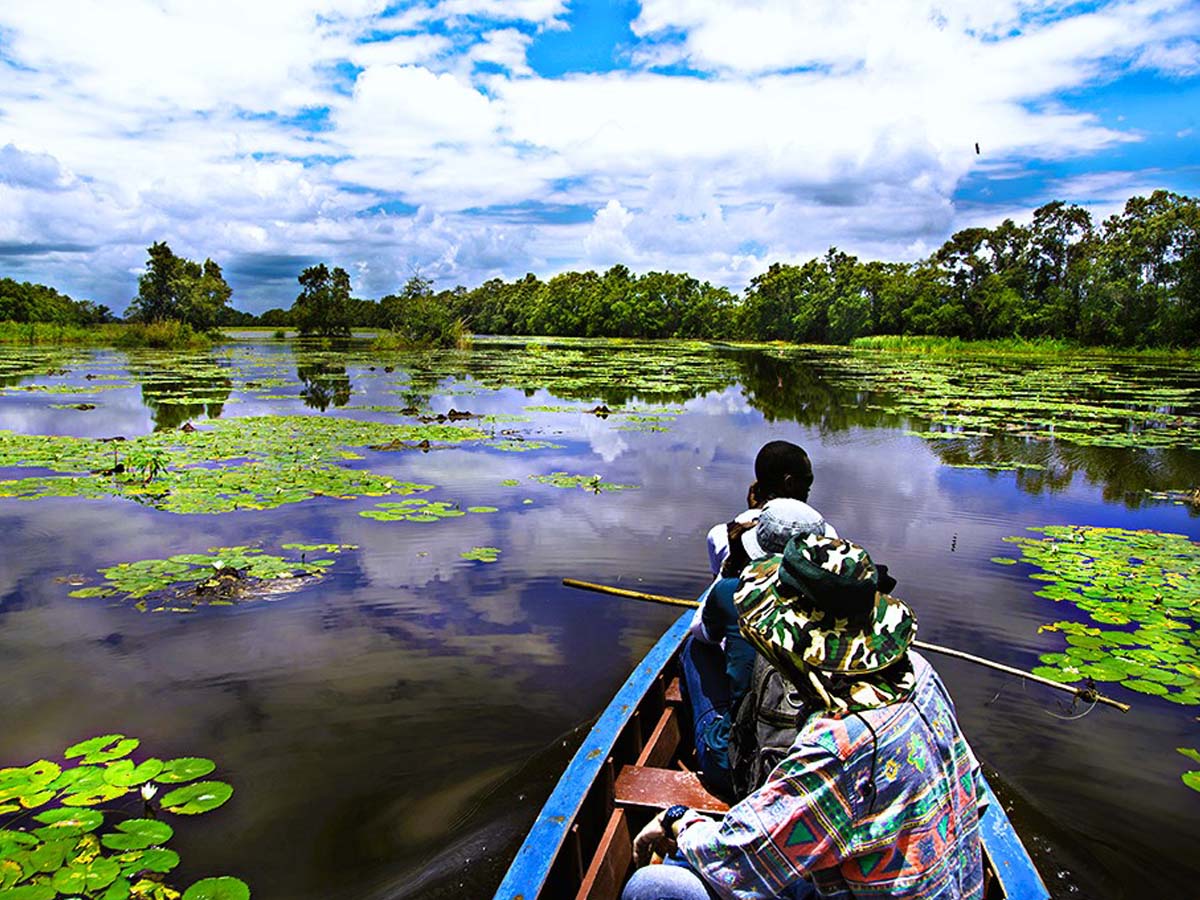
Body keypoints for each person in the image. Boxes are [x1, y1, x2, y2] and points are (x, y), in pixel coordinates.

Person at [624, 533, 986, 900]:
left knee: (654, 887)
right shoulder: (921, 672)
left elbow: (735, 861)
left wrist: (677, 822)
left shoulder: (840, 747)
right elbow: (976, 791)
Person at [679, 497, 833, 800]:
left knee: (693, 651)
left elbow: (703, 635)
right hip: (819, 768)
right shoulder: (842, 608)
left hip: (736, 769)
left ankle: (701, 734)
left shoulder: (731, 591)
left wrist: (730, 572)